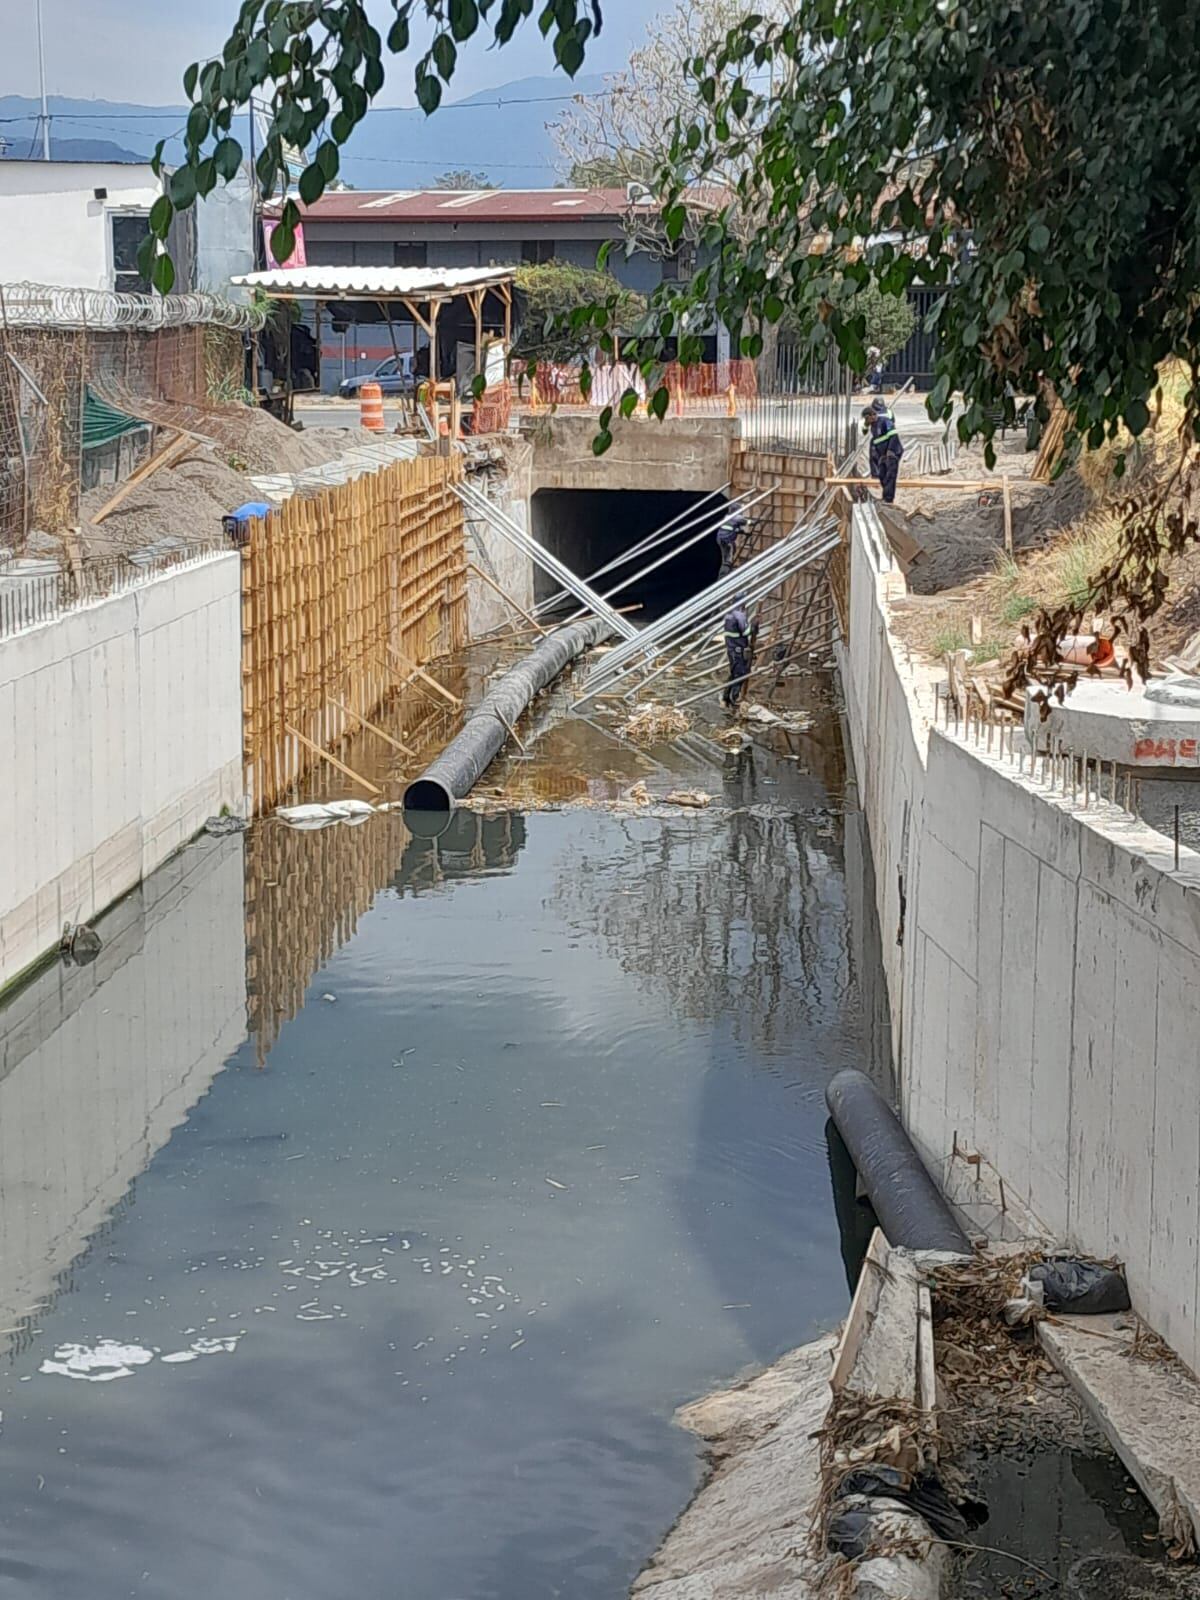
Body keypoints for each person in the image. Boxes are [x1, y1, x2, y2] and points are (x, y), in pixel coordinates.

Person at [721, 597, 758, 710]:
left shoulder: (728, 615)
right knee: (740, 674)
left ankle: (726, 698)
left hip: (731, 648)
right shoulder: (739, 615)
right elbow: (746, 631)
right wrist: (754, 626)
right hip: (738, 649)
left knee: (734, 673)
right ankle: (734, 699)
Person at [867, 396, 903, 504]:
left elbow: (893, 435)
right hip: (882, 448)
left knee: (890, 474)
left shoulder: (886, 420)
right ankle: (886, 496)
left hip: (892, 448)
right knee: (882, 473)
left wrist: (890, 450)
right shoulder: (876, 420)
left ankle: (888, 499)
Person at [715, 512, 746, 577]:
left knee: (725, 555)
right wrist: (753, 522)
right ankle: (724, 574)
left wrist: (739, 530)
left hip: (720, 539)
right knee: (729, 557)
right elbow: (745, 522)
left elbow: (732, 527)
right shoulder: (737, 517)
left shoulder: (726, 517)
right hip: (727, 541)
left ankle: (725, 568)